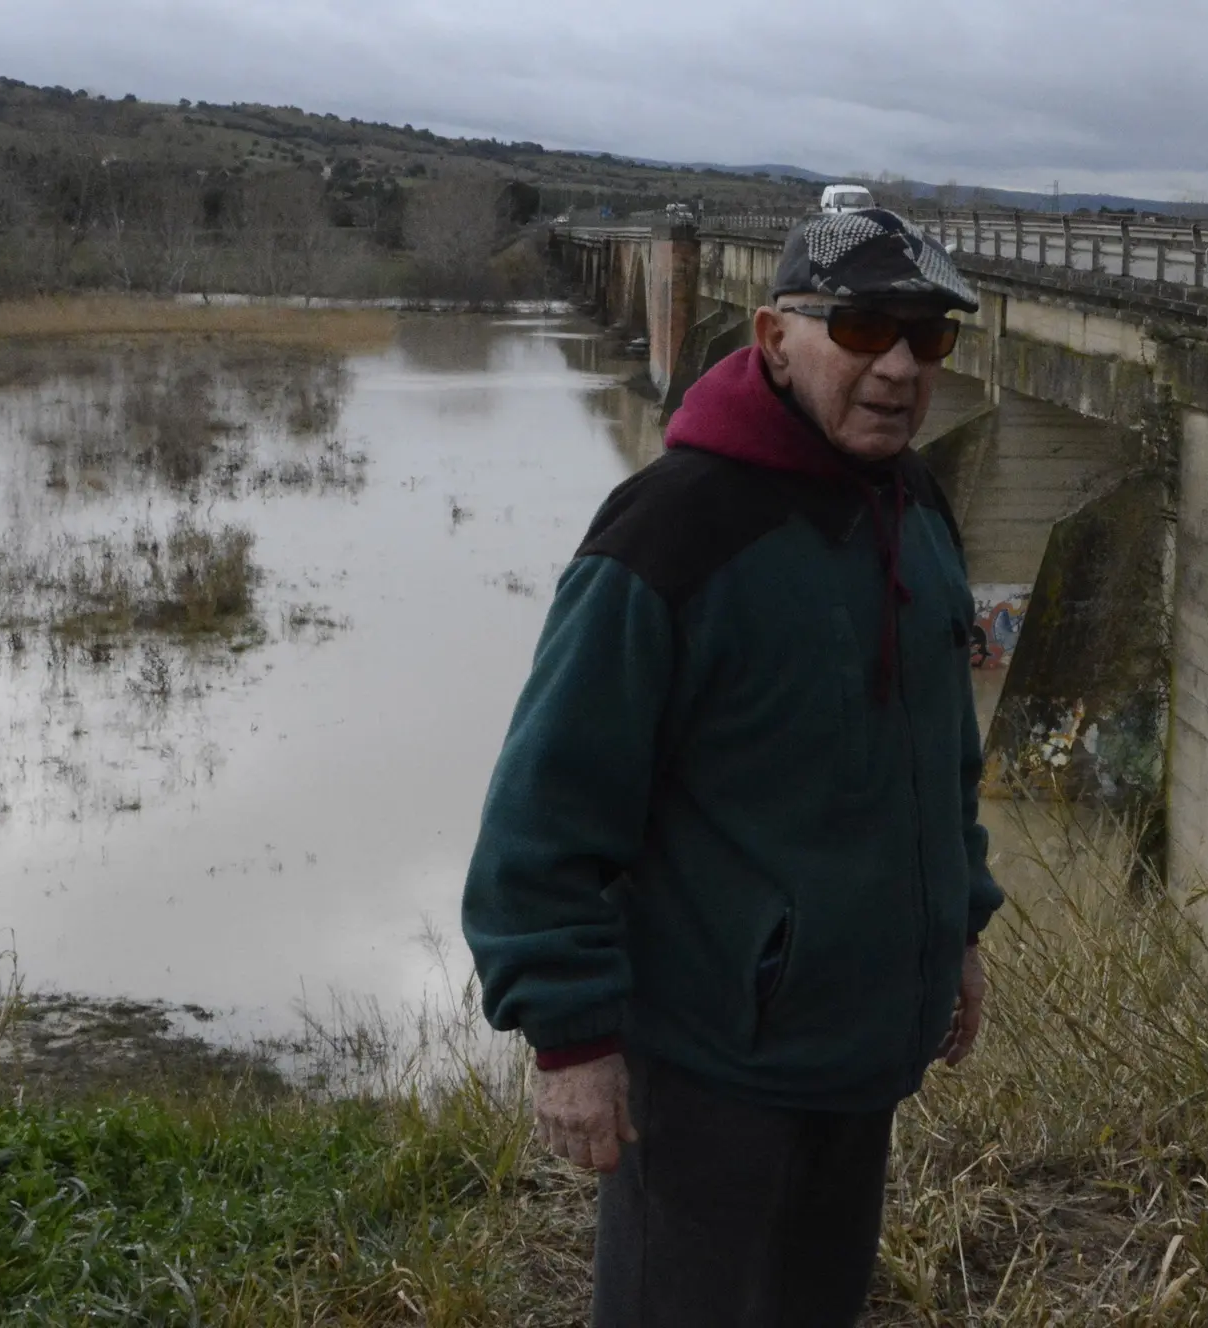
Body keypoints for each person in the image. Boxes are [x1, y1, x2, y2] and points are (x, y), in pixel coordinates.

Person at [462, 208, 1004, 1327]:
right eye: (860, 328)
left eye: (928, 337)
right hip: (710, 1070)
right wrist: (570, 1038)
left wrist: (958, 925)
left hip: (859, 1057)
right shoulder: (671, 532)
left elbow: (945, 750)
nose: (899, 366)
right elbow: (545, 806)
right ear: (771, 335)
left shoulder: (915, 503)